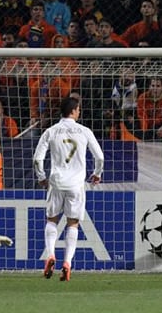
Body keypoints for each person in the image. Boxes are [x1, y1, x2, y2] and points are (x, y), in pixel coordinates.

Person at [33, 97, 104, 281]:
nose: (79, 112)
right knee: (73, 224)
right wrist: (97, 173)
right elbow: (100, 157)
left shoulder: (51, 131)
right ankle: (67, 263)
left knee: (51, 221)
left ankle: (50, 255)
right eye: (78, 109)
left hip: (56, 182)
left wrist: (41, 177)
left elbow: (37, 158)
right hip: (76, 184)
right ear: (73, 111)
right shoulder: (84, 131)